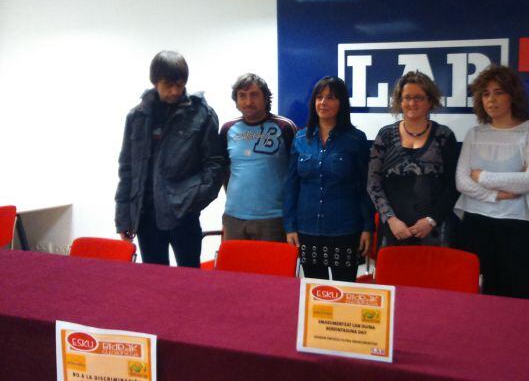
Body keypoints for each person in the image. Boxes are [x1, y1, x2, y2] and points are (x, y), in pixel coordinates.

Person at [115, 50, 225, 267]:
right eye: (168, 85)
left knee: (189, 280)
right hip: (146, 216)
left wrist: (191, 200)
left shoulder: (202, 114)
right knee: (155, 283)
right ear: (155, 82)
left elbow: (215, 165)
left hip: (183, 216)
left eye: (180, 84)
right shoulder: (137, 116)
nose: (175, 91)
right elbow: (127, 168)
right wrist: (124, 218)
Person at [454, 64, 529, 299]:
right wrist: (498, 193)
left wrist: (483, 177)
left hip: (518, 227)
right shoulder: (474, 134)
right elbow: (462, 182)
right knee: (481, 298)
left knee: (516, 298)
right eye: (485, 94)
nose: (491, 100)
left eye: (498, 92)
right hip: (476, 224)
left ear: (512, 95)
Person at [283, 76, 373, 281]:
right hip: (307, 229)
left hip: (344, 230)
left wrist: (368, 227)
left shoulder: (355, 139)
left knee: (344, 293)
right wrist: (290, 225)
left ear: (341, 103)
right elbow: (291, 185)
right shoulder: (300, 138)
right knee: (316, 295)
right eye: (319, 97)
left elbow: (365, 187)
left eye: (330, 97)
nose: (323, 103)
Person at [368, 71, 458, 247]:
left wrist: (432, 220)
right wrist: (391, 219)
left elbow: (453, 185)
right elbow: (373, 182)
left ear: (430, 101)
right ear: (399, 101)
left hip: (434, 231)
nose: (411, 103)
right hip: (394, 231)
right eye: (406, 97)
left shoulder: (444, 136)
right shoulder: (385, 135)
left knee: (431, 275)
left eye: (419, 98)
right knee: (394, 275)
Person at [220, 74, 296, 242]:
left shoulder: (285, 127)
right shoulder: (227, 129)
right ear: (236, 99)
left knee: (272, 269)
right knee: (234, 269)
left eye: (254, 95)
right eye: (242, 95)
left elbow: (296, 174)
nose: (248, 102)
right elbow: (224, 171)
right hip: (234, 218)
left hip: (274, 219)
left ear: (265, 97)